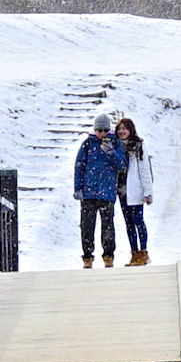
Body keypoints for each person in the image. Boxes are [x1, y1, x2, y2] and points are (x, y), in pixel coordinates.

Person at [74, 113, 126, 268]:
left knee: (107, 225)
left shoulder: (116, 144)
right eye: (99, 130)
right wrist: (78, 188)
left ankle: (108, 255)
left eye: (104, 130)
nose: (101, 134)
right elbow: (79, 166)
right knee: (86, 226)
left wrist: (111, 153)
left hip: (107, 191)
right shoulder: (87, 144)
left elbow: (122, 165)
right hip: (89, 193)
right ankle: (87, 256)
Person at [115, 117, 153, 266]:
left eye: (125, 128)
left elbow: (145, 170)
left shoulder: (138, 146)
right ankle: (134, 253)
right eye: (120, 129)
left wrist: (148, 191)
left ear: (131, 130)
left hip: (135, 190)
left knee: (138, 221)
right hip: (122, 191)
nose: (122, 131)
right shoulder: (116, 146)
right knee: (128, 223)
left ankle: (144, 252)